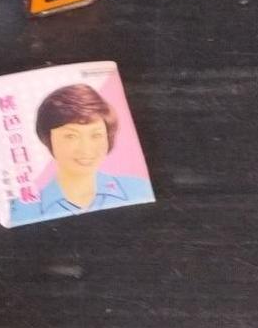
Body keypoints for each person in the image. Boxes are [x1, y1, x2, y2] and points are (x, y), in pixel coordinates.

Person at [9, 83, 153, 225]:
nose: (86, 149)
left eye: (96, 135)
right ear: (48, 138)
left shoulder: (139, 189)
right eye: (71, 136)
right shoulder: (21, 210)